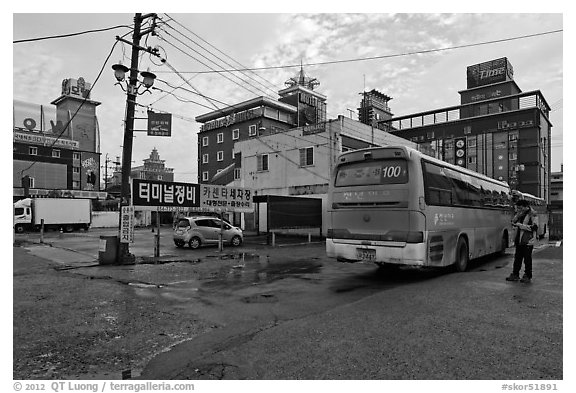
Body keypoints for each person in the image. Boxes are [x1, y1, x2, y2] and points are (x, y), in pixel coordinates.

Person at [506, 199, 539, 283]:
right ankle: (515, 274)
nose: (518, 209)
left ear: (525, 207)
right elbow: (513, 222)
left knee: (527, 259)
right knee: (517, 258)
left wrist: (521, 226)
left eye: (520, 208)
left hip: (528, 240)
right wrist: (517, 217)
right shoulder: (520, 214)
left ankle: (527, 275)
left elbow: (534, 227)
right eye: (518, 208)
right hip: (519, 240)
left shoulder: (533, 214)